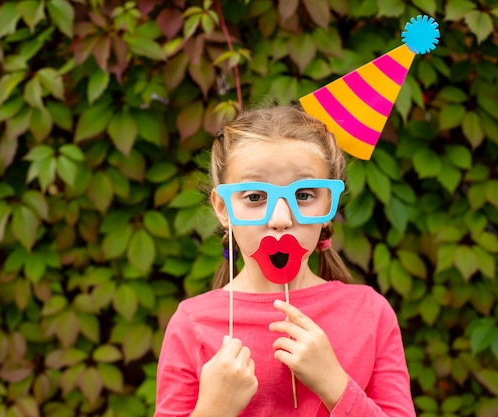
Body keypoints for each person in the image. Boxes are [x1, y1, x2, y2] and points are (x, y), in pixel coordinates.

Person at [155, 106, 415, 417]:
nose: (280, 219)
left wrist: (335, 385)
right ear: (224, 208)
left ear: (329, 204)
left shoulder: (371, 314)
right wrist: (214, 409)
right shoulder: (191, 324)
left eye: (304, 195)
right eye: (254, 197)